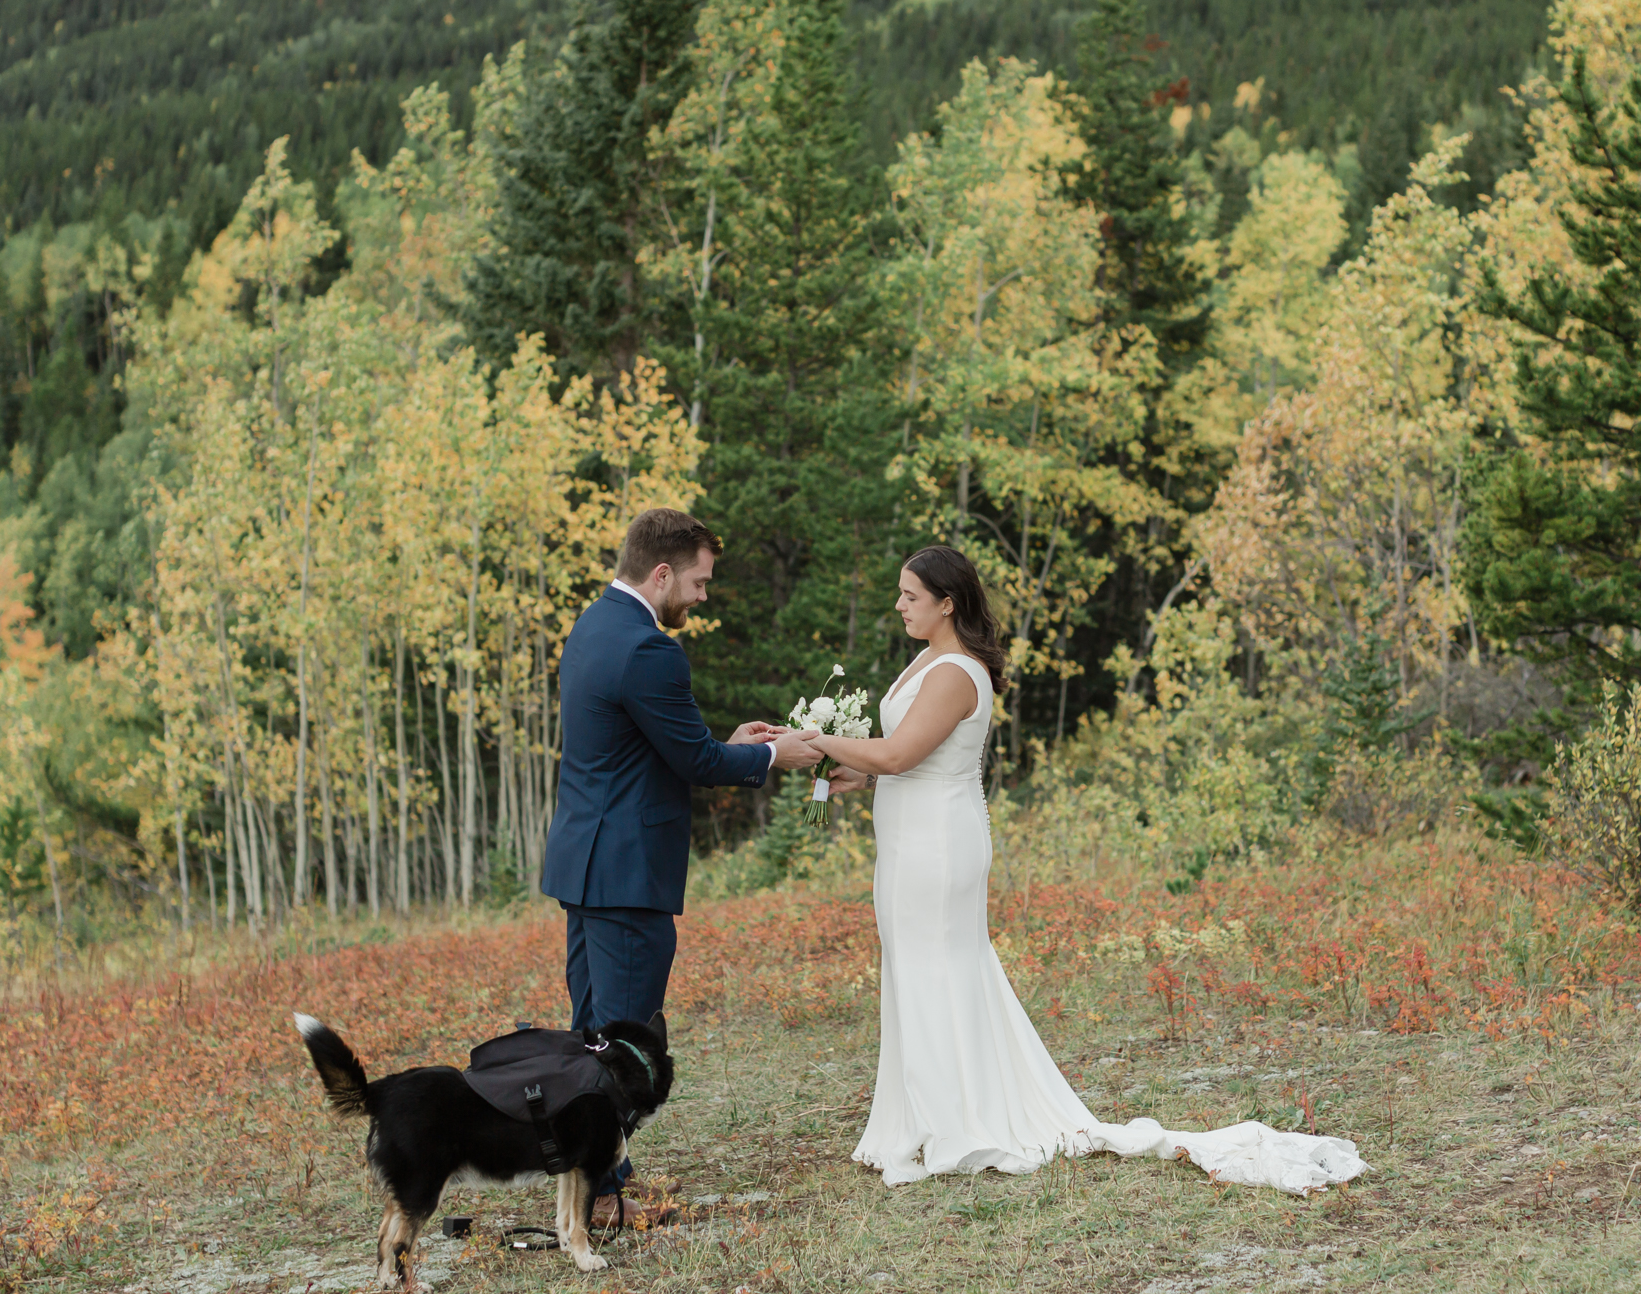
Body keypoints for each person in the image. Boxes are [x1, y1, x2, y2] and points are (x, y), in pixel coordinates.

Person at [814, 546, 1367, 1194]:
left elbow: (904, 754)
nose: (900, 604)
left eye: (910, 595)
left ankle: (953, 1122)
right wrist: (850, 771)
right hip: (908, 839)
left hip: (937, 844)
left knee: (938, 964)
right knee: (915, 965)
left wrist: (817, 741)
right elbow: (906, 756)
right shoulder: (925, 660)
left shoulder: (955, 672)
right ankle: (926, 1115)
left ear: (947, 602)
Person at [541, 508, 822, 1226]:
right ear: (661, 573)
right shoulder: (649, 649)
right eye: (698, 583)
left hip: (586, 865)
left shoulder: (593, 625)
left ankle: (600, 1177)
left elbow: (647, 749)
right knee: (626, 1041)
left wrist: (722, 742)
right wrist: (770, 755)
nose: (702, 597)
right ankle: (602, 1199)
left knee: (593, 1031)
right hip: (628, 875)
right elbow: (694, 761)